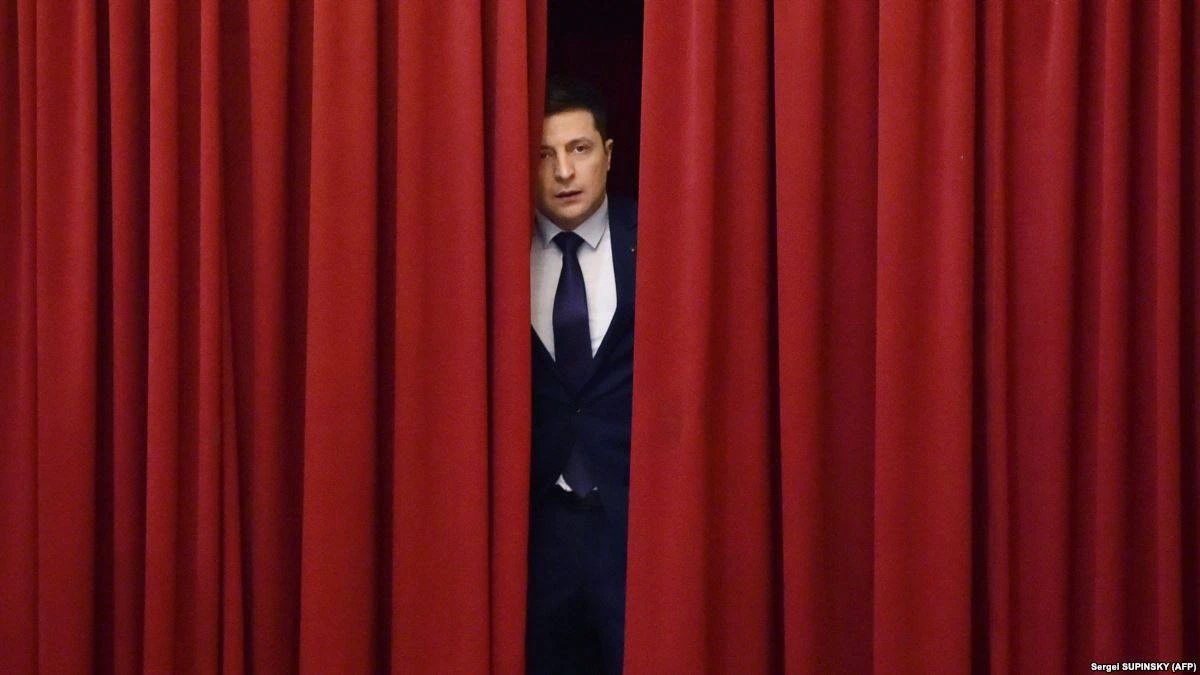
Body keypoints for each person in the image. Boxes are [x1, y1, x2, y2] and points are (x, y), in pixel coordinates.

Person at [527, 76, 636, 675]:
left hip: (635, 531)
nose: (564, 172)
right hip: (535, 539)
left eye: (579, 149)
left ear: (609, 154)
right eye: (544, 155)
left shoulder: (661, 243)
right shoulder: (492, 252)